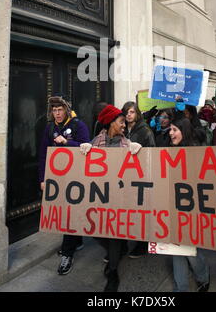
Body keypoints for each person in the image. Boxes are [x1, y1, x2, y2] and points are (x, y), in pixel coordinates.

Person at [80, 104, 142, 292]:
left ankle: (113, 271)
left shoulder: (127, 144)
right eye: (121, 121)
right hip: (100, 198)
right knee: (96, 231)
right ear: (110, 123)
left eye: (125, 122)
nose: (124, 125)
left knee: (114, 234)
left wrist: (139, 151)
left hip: (120, 199)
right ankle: (118, 250)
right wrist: (83, 149)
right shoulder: (96, 141)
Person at [38, 95, 90, 275]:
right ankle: (77, 241)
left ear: (66, 110)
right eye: (54, 110)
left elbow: (87, 148)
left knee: (70, 212)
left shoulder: (78, 125)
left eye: (60, 110)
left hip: (76, 178)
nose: (57, 113)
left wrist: (67, 142)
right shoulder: (50, 127)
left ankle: (67, 254)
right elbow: (43, 154)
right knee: (64, 211)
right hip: (57, 177)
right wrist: (43, 179)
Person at [169, 118, 210, 292]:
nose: (171, 133)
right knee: (175, 248)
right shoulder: (168, 151)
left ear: (184, 131)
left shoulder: (195, 152)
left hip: (190, 209)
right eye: (170, 130)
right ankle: (181, 287)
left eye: (174, 130)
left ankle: (203, 276)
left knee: (189, 248)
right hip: (171, 206)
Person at [121, 101, 156, 259]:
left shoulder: (145, 131)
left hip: (140, 175)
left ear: (137, 114)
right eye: (127, 112)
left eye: (132, 112)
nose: (129, 115)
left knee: (141, 211)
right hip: (124, 175)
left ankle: (142, 244)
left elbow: (152, 153)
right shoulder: (121, 128)